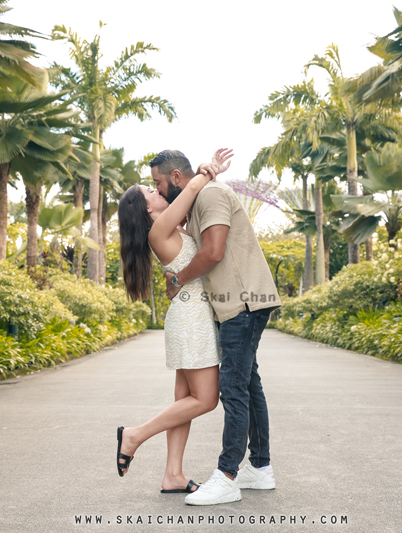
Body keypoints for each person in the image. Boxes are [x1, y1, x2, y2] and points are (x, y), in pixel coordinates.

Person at [153, 149, 282, 506]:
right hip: (236, 305)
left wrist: (178, 278)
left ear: (176, 178)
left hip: (243, 302)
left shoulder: (209, 196)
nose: (160, 192)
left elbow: (213, 251)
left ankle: (227, 476)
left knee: (233, 387)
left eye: (159, 184)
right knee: (248, 384)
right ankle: (259, 467)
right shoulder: (197, 201)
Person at [115, 148, 234, 494]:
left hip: (188, 315)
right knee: (206, 400)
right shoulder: (160, 230)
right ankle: (134, 435)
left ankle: (173, 475)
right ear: (147, 210)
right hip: (191, 318)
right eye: (151, 191)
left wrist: (199, 171)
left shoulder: (171, 229)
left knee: (184, 401)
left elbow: (189, 195)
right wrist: (209, 168)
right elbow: (193, 190)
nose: (158, 191)